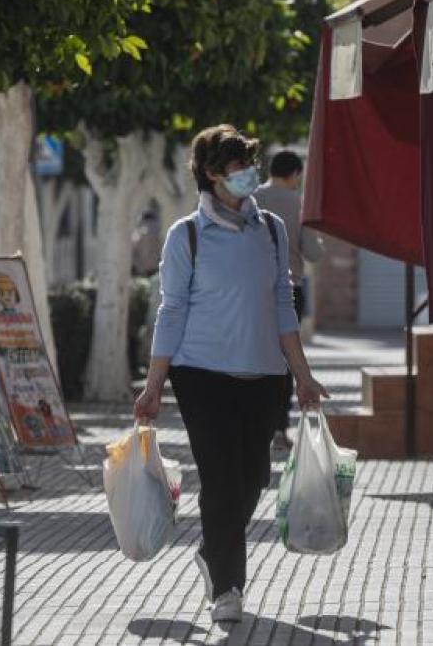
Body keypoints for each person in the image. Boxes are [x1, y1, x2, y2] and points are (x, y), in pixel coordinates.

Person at [133, 126, 328, 624]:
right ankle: (228, 587)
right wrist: (154, 385)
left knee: (254, 479)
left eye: (249, 165)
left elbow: (283, 305)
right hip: (201, 375)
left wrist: (302, 376)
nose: (248, 175)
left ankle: (211, 548)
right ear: (213, 175)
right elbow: (171, 310)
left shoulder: (271, 230)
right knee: (221, 482)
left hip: (264, 373)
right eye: (237, 168)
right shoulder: (187, 236)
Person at [254, 150, 325, 451]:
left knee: (254, 357)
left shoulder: (250, 199)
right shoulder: (300, 204)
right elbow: (313, 253)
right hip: (289, 290)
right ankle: (279, 429)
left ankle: (253, 425)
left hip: (252, 292)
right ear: (295, 174)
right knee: (286, 362)